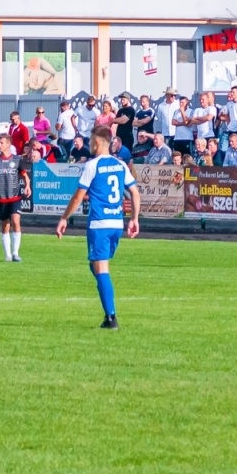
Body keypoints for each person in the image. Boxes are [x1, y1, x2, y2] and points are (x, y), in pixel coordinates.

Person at [56, 124, 141, 328]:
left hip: (99, 225)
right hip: (116, 225)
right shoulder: (120, 164)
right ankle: (107, 301)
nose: (89, 144)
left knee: (101, 269)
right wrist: (134, 219)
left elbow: (78, 196)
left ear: (96, 142)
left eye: (90, 140)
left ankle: (111, 317)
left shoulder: (92, 165)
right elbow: (135, 193)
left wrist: (64, 218)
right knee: (97, 266)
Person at [0, 133, 30, 262]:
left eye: (1, 142)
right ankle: (7, 255)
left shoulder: (17, 160)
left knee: (16, 221)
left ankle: (15, 253)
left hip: (15, 197)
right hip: (1, 198)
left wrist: (28, 186)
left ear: (8, 144)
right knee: (5, 226)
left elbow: (24, 175)